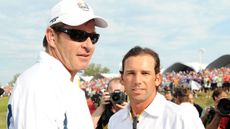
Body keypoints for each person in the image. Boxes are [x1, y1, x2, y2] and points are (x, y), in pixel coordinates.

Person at [6, 0, 108, 128]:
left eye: (93, 37)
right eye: (77, 35)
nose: (89, 45)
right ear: (52, 37)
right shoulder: (41, 83)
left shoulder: (63, 82)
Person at [108, 46, 199, 129]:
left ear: (157, 79)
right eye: (131, 73)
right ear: (122, 79)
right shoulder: (115, 121)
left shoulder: (181, 118)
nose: (137, 81)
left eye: (145, 73)